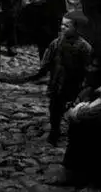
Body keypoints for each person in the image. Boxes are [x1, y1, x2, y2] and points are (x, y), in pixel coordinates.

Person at [40, 10, 93, 146]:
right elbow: (47, 59)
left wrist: (85, 84)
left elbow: (87, 67)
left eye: (67, 26)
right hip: (57, 81)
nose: (62, 27)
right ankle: (55, 130)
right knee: (54, 108)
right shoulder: (56, 43)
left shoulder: (84, 47)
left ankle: (72, 133)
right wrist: (46, 67)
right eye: (62, 24)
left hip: (73, 83)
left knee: (71, 108)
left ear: (77, 28)